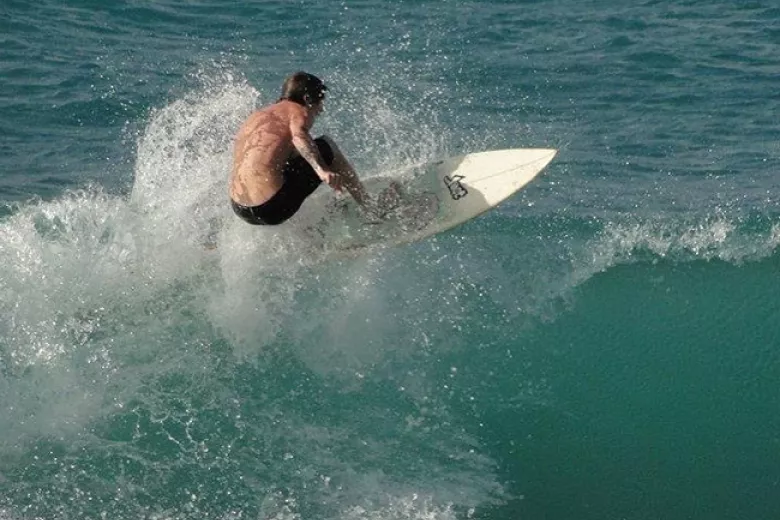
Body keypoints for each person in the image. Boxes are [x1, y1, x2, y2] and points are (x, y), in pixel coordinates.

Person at [229, 71, 382, 226]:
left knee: (288, 158)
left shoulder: (258, 116)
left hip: (240, 207)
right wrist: (321, 170)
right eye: (320, 102)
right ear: (307, 99)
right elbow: (299, 137)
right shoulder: (297, 111)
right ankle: (371, 208)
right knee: (326, 146)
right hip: (272, 207)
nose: (321, 110)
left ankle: (309, 229)